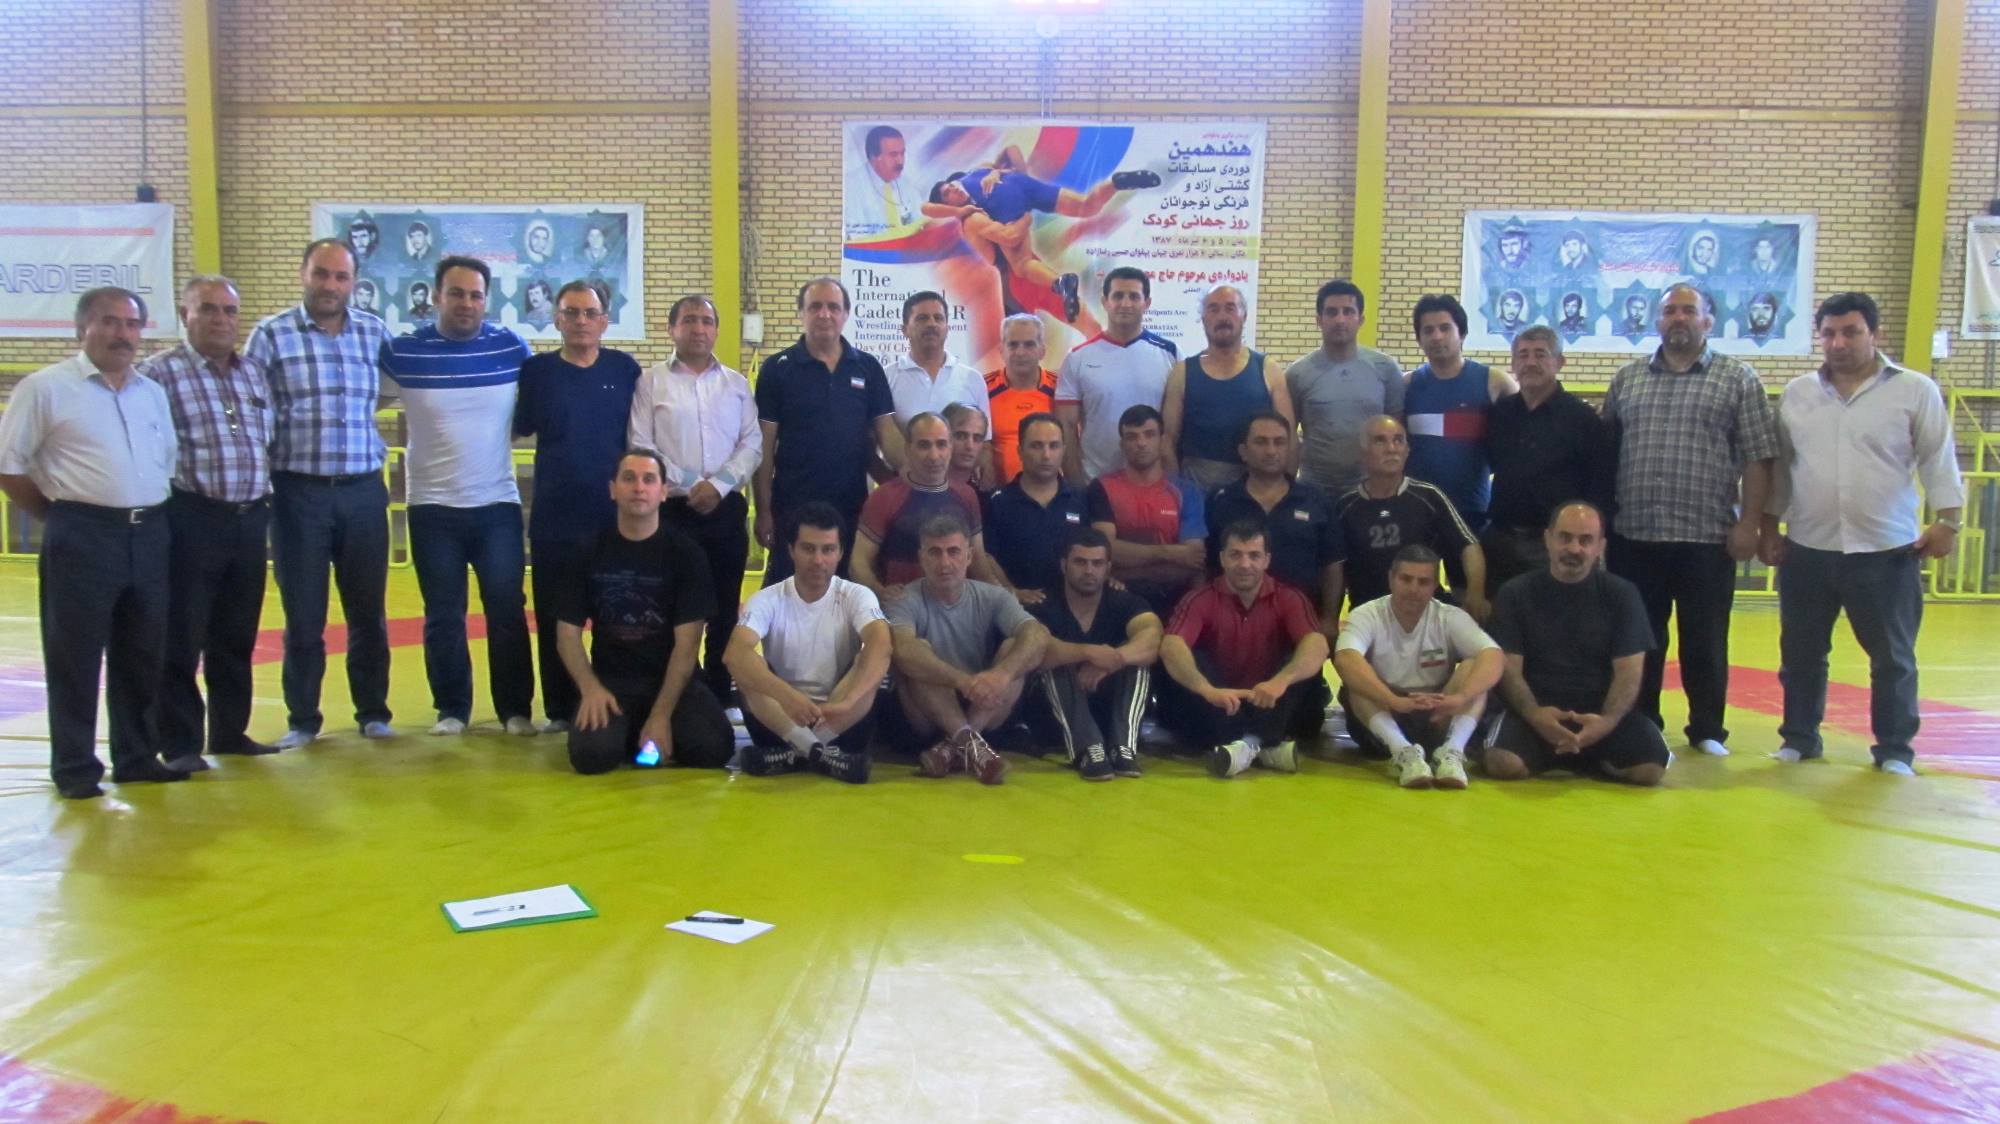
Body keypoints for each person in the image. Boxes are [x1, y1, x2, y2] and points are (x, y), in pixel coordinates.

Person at [1761, 292, 1963, 775]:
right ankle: (1799, 737)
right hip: (1808, 548)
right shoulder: (1797, 395)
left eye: (1851, 332)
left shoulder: (1914, 390)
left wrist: (1948, 520)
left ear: (1875, 334)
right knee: (1801, 653)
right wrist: (1769, 525)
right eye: (1829, 333)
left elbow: (1938, 457)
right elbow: (1782, 469)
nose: (1839, 343)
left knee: (1893, 658)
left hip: (1886, 550)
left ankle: (1894, 749)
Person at [0, 288, 184, 798]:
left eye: (132, 324)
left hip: (148, 530)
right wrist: (60, 516)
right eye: (110, 322)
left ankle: (137, 757)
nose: (122, 334)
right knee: (74, 656)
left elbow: (166, 460)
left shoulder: (151, 393)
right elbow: (9, 465)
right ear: (82, 329)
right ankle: (76, 767)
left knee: (142, 652)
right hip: (82, 533)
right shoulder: (45, 389)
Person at [1602, 281, 1778, 757]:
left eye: (1688, 310)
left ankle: (1707, 729)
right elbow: (1607, 452)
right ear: (1657, 321)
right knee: (1642, 639)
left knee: (1705, 640)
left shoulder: (1737, 379)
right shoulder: (1628, 379)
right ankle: (1643, 722)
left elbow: (1759, 457)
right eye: (1669, 311)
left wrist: (1751, 522)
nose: (1678, 318)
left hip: (1707, 536)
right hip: (1636, 535)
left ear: (1707, 321)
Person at [245, 238, 396, 748]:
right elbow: (252, 407)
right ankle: (303, 720)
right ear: (304, 274)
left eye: (341, 276)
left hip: (363, 492)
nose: (331, 285)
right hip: (298, 494)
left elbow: (393, 392)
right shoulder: (270, 335)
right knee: (304, 616)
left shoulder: (374, 332)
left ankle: (373, 712)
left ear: (354, 282)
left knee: (368, 614)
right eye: (322, 274)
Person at [378, 255, 536, 737]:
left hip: (497, 505)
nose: (466, 303)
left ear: (486, 300)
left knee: (506, 610)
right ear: (436, 296)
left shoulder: (511, 348)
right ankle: (451, 708)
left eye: (475, 295)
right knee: (443, 614)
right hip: (432, 508)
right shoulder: (403, 353)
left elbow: (533, 409)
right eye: (456, 293)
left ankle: (514, 709)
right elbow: (365, 401)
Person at [138, 274, 279, 771]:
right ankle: (180, 743)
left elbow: (266, 440)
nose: (221, 319)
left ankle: (229, 732)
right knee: (181, 635)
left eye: (229, 310)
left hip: (249, 518)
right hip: (191, 517)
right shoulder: (157, 375)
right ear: (185, 315)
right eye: (208, 309)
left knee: (236, 635)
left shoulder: (253, 373)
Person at [555, 450, 734, 774]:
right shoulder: (587, 551)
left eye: (649, 479)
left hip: (673, 683)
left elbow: (687, 646)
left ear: (663, 491)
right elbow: (567, 634)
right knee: (592, 757)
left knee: (714, 748)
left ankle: (646, 734)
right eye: (629, 478)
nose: (639, 487)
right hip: (613, 682)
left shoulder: (686, 554)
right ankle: (635, 736)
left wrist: (661, 715)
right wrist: (590, 688)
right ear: (612, 489)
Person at [515, 279, 643, 733]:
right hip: (555, 518)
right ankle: (560, 708)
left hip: (613, 519)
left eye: (590, 313)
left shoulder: (625, 370)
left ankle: (615, 698)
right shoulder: (537, 372)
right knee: (556, 615)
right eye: (571, 312)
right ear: (557, 319)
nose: (581, 321)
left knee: (616, 616)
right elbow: (515, 427)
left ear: (605, 321)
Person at [629, 294, 762, 706]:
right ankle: (677, 694)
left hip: (725, 510)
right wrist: (691, 484)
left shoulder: (736, 385)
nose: (699, 328)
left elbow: (752, 443)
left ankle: (719, 694)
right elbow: (641, 444)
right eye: (689, 320)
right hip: (672, 511)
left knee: (723, 608)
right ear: (672, 329)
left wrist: (718, 485)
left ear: (717, 330)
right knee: (673, 607)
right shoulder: (650, 382)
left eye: (706, 321)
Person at [1483, 503, 1670, 785]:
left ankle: (1586, 755)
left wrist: (1606, 722)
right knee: (1503, 763)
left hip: (1600, 715)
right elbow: (1509, 670)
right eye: (1565, 537)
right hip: (1536, 712)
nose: (1574, 548)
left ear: (1600, 547)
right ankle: (1570, 754)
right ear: (1548, 539)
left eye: (1585, 540)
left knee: (1650, 771)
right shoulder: (1515, 593)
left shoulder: (1622, 595)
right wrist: (1535, 715)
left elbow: (1629, 674)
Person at [725, 503, 890, 784]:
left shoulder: (856, 595)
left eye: (828, 550)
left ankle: (798, 753)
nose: (818, 560)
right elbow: (734, 654)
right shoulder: (768, 598)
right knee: (745, 667)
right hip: (780, 720)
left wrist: (849, 702)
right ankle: (817, 752)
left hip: (839, 720)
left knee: (873, 663)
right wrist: (788, 697)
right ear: (791, 550)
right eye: (808, 549)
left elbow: (881, 646)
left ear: (840, 552)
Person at [753, 276, 902, 585]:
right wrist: (764, 510)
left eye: (833, 307)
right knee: (788, 593)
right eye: (815, 307)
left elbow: (888, 435)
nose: (824, 314)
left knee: (846, 593)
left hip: (851, 505)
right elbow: (764, 447)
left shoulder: (868, 368)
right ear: (801, 313)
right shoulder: (777, 369)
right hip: (792, 505)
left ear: (846, 314)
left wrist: (914, 482)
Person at [886, 514, 1050, 784]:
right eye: (935, 552)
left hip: (983, 707)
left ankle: (956, 746)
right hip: (927, 714)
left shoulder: (994, 596)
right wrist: (962, 681)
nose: (945, 563)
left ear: (969, 556)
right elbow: (903, 650)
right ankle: (971, 746)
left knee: (1015, 648)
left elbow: (1038, 635)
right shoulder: (904, 599)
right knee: (917, 652)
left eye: (953, 551)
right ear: (921, 557)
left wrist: (1001, 675)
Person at [1159, 521, 1330, 778]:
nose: (1245, 564)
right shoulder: (1200, 598)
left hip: (1270, 700)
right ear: (1222, 559)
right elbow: (1171, 646)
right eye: (1235, 555)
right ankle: (1267, 747)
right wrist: (1207, 690)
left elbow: (1318, 644)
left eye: (1254, 555)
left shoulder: (1289, 597)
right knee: (1192, 659)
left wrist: (1281, 682)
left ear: (1267, 560)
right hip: (1221, 703)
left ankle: (1246, 745)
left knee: (1299, 660)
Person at [1332, 546, 1503, 789]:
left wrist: (1460, 697)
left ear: (1435, 586)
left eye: (1423, 582)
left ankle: (1452, 751)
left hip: (1437, 712)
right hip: (1386, 713)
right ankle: (1403, 752)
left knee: (1474, 666)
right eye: (1406, 579)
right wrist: (1393, 700)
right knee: (1355, 681)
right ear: (1391, 579)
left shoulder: (1450, 616)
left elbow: (1494, 656)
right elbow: (1345, 659)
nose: (1413, 589)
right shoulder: (1367, 614)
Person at [1481, 327, 1614, 590]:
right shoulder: (1499, 414)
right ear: (1513, 363)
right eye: (1523, 355)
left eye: (1540, 354)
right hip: (1500, 541)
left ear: (1560, 362)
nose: (1531, 362)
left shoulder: (1583, 420)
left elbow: (1601, 487)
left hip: (1556, 546)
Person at [1026, 529, 1161, 781]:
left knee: (1137, 660)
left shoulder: (1124, 601)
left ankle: (1124, 748)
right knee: (1053, 659)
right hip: (1055, 717)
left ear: (1108, 568)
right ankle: (1088, 749)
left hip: (1108, 710)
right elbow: (1035, 650)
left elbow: (1152, 637)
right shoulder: (1043, 603)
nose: (1089, 571)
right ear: (1064, 565)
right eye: (1080, 562)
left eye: (1097, 563)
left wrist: (1115, 659)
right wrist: (1089, 652)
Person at [1334, 415, 1487, 618]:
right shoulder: (1345, 507)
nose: (1391, 448)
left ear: (1407, 451)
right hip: (1369, 616)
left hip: (1428, 611)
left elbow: (1468, 545)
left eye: (1398, 440)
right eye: (1380, 441)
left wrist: (1476, 593)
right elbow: (1334, 568)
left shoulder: (1429, 496)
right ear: (1362, 453)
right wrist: (1330, 616)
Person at [1162, 284, 1294, 491]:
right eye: (1213, 309)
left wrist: (1285, 494)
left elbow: (1289, 438)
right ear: (1203, 319)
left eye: (1230, 308)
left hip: (1255, 493)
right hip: (1196, 490)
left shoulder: (1268, 369)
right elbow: (1167, 441)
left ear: (1244, 316)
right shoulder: (1182, 372)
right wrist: (1178, 494)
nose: (1222, 316)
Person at [1403, 294, 1517, 531]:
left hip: (1473, 511)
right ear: (1419, 339)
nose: (1437, 336)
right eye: (1428, 330)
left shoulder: (1495, 382)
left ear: (1462, 334)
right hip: (1417, 510)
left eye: (1445, 328)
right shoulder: (1406, 386)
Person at [1054, 266, 1178, 482]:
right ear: (1105, 302)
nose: (1125, 304)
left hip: (1154, 484)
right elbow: (1067, 426)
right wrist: (1076, 486)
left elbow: (1174, 428)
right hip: (1095, 482)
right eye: (1118, 296)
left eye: (1134, 296)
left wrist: (1170, 481)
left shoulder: (1171, 354)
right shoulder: (1077, 358)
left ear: (1147, 303)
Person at [852, 412, 993, 601]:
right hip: (903, 608)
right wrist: (880, 591)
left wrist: (1006, 597)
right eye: (924, 445)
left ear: (950, 447)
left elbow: (979, 562)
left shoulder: (967, 495)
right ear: (908, 449)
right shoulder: (884, 497)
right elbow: (858, 562)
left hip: (958, 608)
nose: (934, 456)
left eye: (941, 444)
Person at [1286, 279, 1405, 498]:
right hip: (1314, 490)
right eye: (1331, 312)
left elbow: (1397, 434)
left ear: (1361, 319)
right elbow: (1288, 438)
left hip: (1371, 491)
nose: (1340, 320)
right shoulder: (1297, 374)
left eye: (1348, 312)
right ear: (1319, 320)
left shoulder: (1386, 369)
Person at [1087, 404, 1206, 616]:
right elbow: (1104, 551)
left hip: (1175, 600)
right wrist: (1170, 553)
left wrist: (1125, 569)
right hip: (1118, 598)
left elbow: (1192, 560)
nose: (1141, 443)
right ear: (1122, 444)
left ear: (1162, 440)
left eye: (1149, 435)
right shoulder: (1102, 487)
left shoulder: (1186, 492)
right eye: (1132, 437)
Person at [985, 412, 1090, 604]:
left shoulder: (1081, 500)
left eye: (1054, 446)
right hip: (1018, 608)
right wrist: (1011, 592)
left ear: (1064, 450)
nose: (1046, 455)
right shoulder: (998, 502)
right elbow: (986, 557)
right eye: (1036, 446)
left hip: (1074, 606)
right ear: (1020, 451)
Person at [885, 290, 988, 434]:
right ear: (904, 330)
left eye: (938, 318)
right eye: (922, 318)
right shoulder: (886, 378)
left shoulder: (973, 379)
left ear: (947, 329)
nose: (931, 324)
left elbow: (984, 442)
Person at [983, 313, 1059, 485]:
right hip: (998, 494)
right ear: (1001, 350)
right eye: (1013, 344)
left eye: (1029, 344)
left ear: (1042, 350)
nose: (1020, 352)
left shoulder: (1061, 389)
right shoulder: (982, 388)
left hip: (1053, 492)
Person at [843, 124, 923, 237]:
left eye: (902, 153)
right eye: (893, 155)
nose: (900, 161)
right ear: (874, 156)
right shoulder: (850, 187)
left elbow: (921, 224)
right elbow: (857, 238)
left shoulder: (905, 184)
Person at [941, 402, 990, 494]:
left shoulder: (986, 497)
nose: (969, 446)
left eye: (977, 438)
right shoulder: (920, 488)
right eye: (961, 436)